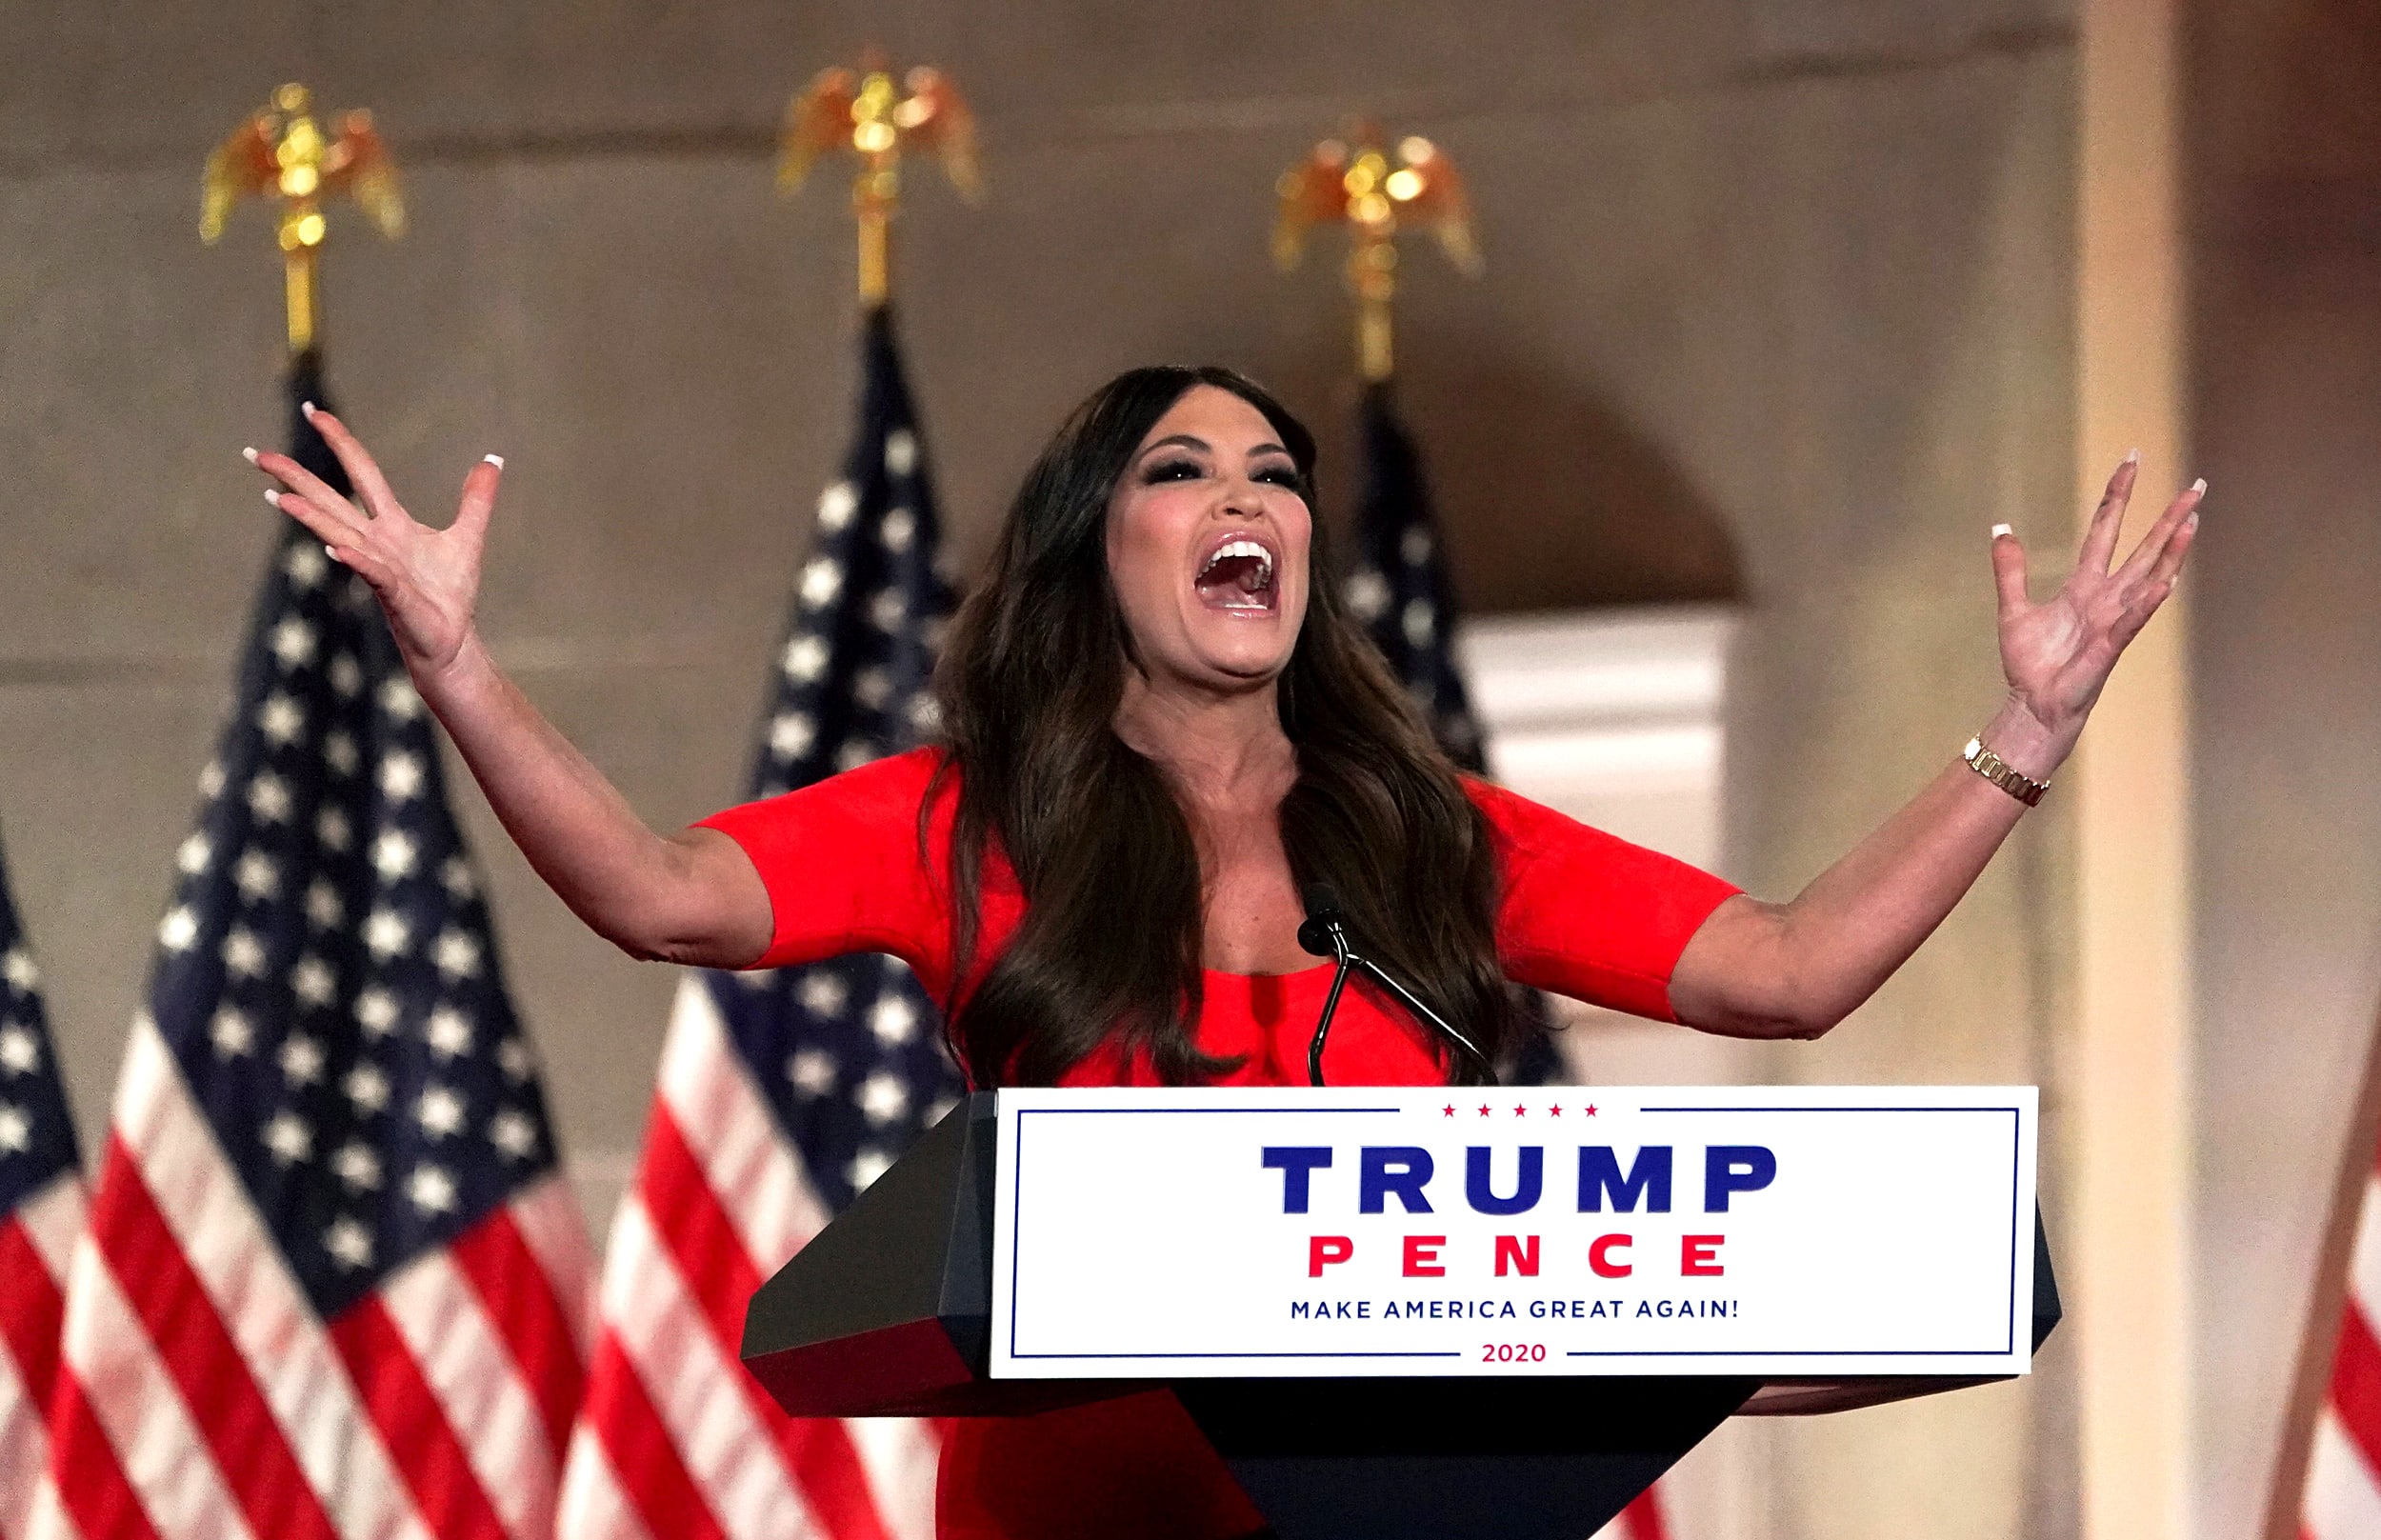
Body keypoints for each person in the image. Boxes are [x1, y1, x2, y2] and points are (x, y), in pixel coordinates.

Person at [251, 366, 2198, 1539]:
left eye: (1274, 471)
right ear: (1094, 543)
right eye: (1188, 469)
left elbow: (1784, 965)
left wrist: (2021, 734)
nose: (1248, 495)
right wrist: (458, 667)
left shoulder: (1423, 831)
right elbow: (661, 889)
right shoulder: (968, 819)